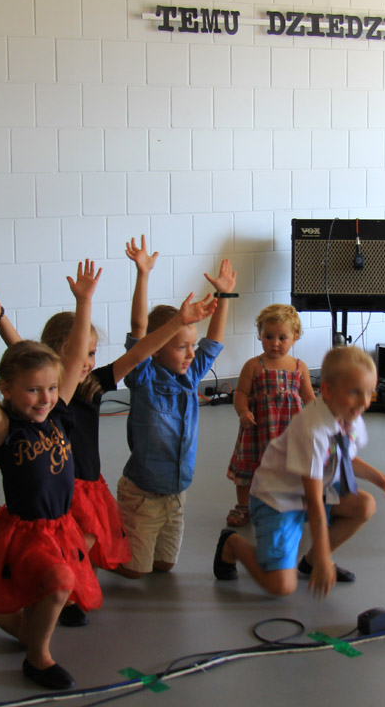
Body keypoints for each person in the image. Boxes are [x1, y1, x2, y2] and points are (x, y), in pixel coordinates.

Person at [0, 254, 218, 626]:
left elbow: (139, 351)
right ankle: (58, 594)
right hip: (63, 485)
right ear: (59, 355)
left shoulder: (96, 383)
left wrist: (179, 323)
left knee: (86, 542)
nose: (87, 361)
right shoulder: (53, 396)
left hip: (89, 483)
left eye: (91, 353)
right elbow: (19, 349)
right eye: (81, 353)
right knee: (64, 543)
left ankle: (68, 589)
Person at [0, 260, 101, 691]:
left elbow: (74, 357)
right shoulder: (5, 430)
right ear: (8, 390)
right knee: (60, 583)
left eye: (50, 388)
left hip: (60, 528)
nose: (45, 398)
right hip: (25, 533)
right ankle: (38, 659)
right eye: (33, 390)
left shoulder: (59, 415)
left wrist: (84, 302)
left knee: (29, 623)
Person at [213, 346, 385, 597]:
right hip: (278, 500)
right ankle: (232, 543)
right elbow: (314, 499)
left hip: (313, 491)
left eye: (369, 392)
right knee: (281, 586)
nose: (364, 402)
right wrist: (324, 558)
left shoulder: (349, 416)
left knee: (365, 505)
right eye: (355, 392)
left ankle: (309, 561)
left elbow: (343, 456)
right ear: (327, 390)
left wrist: (377, 477)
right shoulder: (312, 429)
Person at [115, 243, 237, 578]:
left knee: (164, 566)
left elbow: (212, 343)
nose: (190, 354)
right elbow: (138, 332)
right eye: (181, 346)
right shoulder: (144, 377)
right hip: (142, 494)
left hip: (176, 493)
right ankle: (102, 548)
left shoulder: (189, 377)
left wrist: (224, 295)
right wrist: (143, 275)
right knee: (136, 572)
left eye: (190, 345)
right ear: (155, 349)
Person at [226, 304, 316, 527]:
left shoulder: (300, 367)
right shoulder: (253, 366)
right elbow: (241, 393)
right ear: (260, 334)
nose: (275, 343)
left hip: (290, 432)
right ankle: (243, 506)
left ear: (295, 337)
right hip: (258, 431)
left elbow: (308, 396)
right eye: (268, 336)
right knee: (249, 469)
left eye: (282, 338)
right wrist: (243, 411)